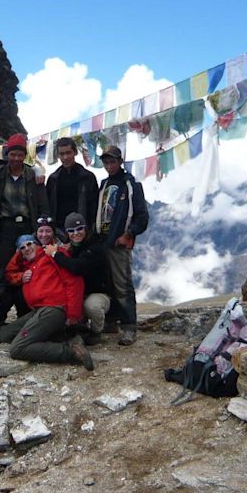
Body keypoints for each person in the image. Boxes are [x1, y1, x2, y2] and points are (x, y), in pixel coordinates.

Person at [0, 235, 93, 369]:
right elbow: (9, 272)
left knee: (17, 348)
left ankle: (72, 351)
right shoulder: (28, 266)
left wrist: (73, 314)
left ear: (37, 244)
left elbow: (74, 282)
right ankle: (62, 336)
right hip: (39, 310)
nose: (27, 249)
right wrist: (20, 275)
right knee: (5, 335)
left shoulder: (51, 257)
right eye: (22, 248)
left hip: (54, 309)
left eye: (29, 244)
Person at [95, 145, 149, 346]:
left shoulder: (131, 185)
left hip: (119, 243)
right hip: (102, 241)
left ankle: (128, 327)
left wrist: (129, 234)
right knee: (106, 283)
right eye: (106, 162)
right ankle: (111, 320)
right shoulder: (104, 185)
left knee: (122, 284)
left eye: (112, 161)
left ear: (120, 162)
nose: (109, 165)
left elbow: (142, 216)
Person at [49, 212, 111, 345]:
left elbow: (78, 267)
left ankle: (96, 332)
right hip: (79, 293)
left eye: (79, 229)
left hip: (98, 293)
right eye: (71, 230)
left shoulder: (95, 246)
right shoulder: (71, 248)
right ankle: (79, 328)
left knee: (92, 306)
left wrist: (55, 254)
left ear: (85, 229)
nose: (76, 233)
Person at [0, 133, 49, 265]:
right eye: (13, 154)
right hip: (6, 227)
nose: (16, 158)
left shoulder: (33, 175)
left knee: (29, 263)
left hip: (27, 225)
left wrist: (43, 225)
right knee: (4, 264)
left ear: (25, 156)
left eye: (20, 155)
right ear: (7, 154)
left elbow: (43, 203)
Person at [46, 137, 99, 228]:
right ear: (58, 155)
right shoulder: (53, 179)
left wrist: (90, 227)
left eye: (68, 153)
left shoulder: (87, 177)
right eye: (62, 154)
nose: (65, 157)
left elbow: (94, 206)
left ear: (75, 152)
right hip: (59, 228)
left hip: (81, 229)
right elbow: (48, 206)